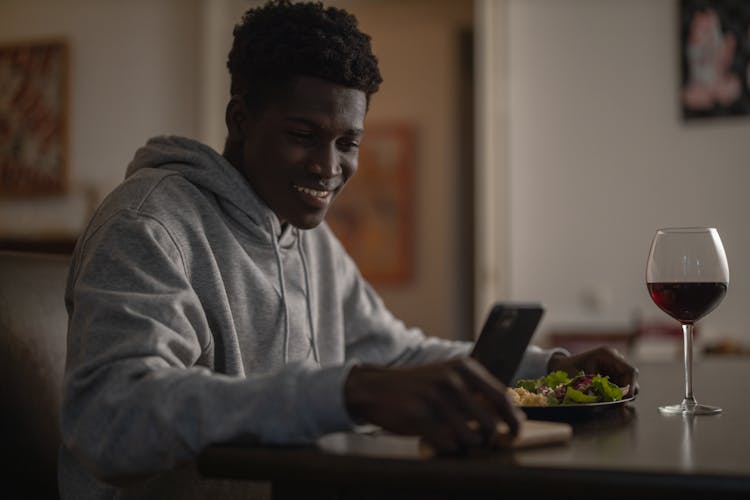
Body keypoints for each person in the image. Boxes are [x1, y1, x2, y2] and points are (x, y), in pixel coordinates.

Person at [58, 1, 637, 499]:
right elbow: (112, 416)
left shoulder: (309, 238)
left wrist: (547, 370)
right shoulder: (148, 225)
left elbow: (396, 353)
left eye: (348, 142)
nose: (328, 168)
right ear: (241, 119)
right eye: (303, 135)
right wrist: (349, 390)